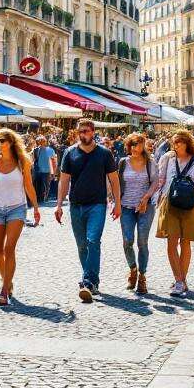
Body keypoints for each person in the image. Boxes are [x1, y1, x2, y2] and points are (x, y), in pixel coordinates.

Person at [55, 117, 121, 303]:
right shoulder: (69, 153)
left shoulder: (104, 154)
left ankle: (88, 282)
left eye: (86, 131)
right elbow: (64, 180)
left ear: (93, 132)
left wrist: (117, 203)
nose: (83, 134)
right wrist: (59, 205)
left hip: (97, 205)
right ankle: (92, 282)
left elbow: (114, 179)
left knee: (93, 241)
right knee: (82, 245)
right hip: (75, 205)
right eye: (80, 132)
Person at [0, 128, 40, 306]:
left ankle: (4, 290)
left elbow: (28, 185)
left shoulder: (22, 162)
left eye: (1, 140)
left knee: (9, 248)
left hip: (16, 209)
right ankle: (7, 281)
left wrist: (35, 208)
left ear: (11, 142)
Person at [156, 130, 194, 296]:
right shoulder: (168, 158)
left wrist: (190, 189)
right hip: (170, 203)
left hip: (189, 204)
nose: (176, 145)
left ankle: (181, 280)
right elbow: (161, 180)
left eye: (180, 142)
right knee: (171, 242)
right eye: (174, 142)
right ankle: (179, 280)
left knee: (185, 241)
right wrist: (157, 199)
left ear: (187, 143)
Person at [118, 132, 159, 294]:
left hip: (146, 207)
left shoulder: (150, 163)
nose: (135, 148)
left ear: (143, 146)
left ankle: (142, 276)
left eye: (139, 145)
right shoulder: (123, 163)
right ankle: (132, 269)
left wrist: (146, 197)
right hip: (126, 206)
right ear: (129, 146)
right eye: (133, 144)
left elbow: (156, 181)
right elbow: (115, 181)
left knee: (142, 241)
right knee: (127, 240)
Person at [31, 135, 57, 204]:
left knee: (46, 186)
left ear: (45, 142)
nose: (40, 143)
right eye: (39, 142)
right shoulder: (36, 150)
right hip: (38, 171)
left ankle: (45, 198)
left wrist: (53, 173)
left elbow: (54, 162)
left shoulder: (50, 150)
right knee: (39, 185)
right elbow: (34, 160)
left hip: (47, 171)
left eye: (42, 141)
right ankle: (40, 198)